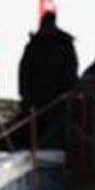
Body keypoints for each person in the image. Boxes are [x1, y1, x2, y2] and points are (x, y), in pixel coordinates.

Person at [17, 11, 78, 147]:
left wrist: (25, 98)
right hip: (56, 100)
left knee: (37, 131)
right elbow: (71, 72)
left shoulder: (34, 45)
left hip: (39, 101)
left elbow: (24, 73)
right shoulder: (64, 44)